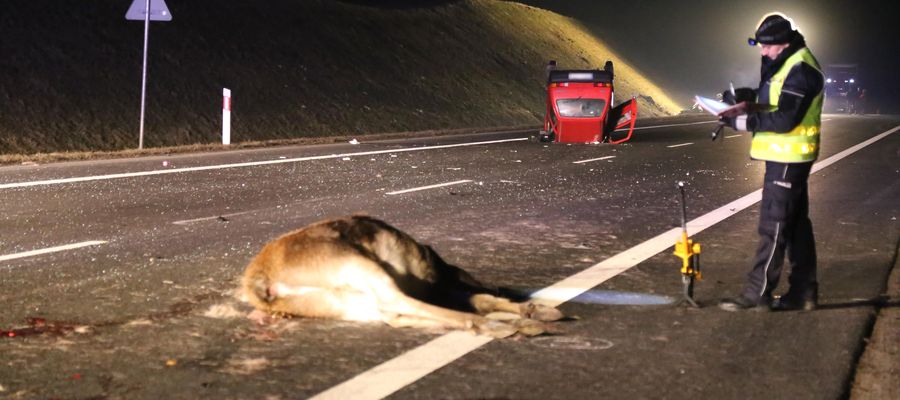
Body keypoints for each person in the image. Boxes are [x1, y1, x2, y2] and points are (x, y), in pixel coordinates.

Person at [716, 12, 824, 311]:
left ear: (784, 42)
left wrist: (740, 124)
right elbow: (775, 99)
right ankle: (803, 293)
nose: (763, 52)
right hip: (784, 156)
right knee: (795, 226)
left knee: (773, 226)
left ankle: (757, 294)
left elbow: (786, 117)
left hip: (789, 156)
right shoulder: (786, 63)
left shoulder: (801, 68)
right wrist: (744, 100)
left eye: (767, 47)